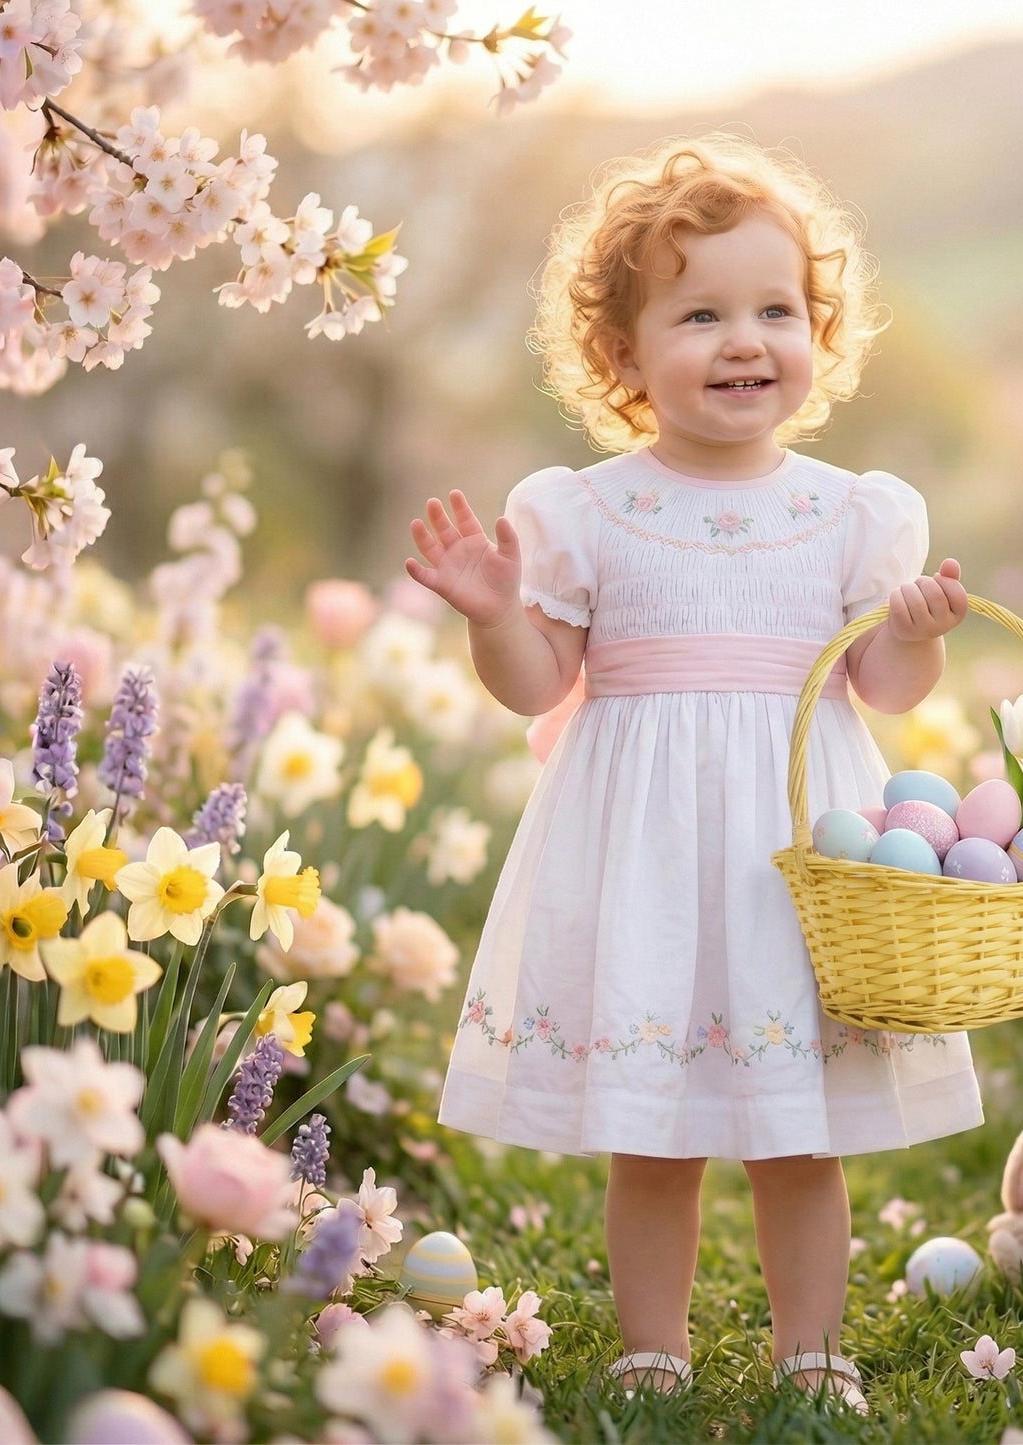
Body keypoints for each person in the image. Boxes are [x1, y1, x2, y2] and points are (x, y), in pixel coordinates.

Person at [407, 133, 981, 1413]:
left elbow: (880, 692)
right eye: (701, 311)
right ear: (621, 356)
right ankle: (650, 1342)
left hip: (801, 847)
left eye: (775, 310)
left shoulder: (846, 512)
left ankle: (811, 1348)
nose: (744, 339)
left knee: (800, 1128)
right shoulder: (589, 509)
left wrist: (908, 637)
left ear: (815, 337)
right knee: (651, 1129)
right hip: (646, 853)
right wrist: (496, 612)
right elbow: (535, 682)